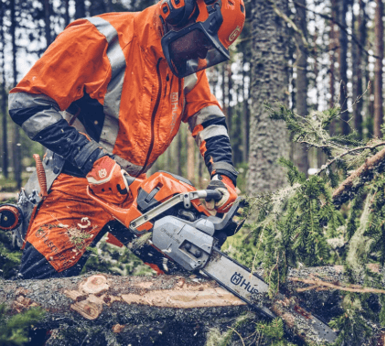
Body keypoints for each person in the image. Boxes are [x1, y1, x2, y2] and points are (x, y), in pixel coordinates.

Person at [7, 0, 245, 279]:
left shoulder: (184, 62)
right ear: (179, 11)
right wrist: (92, 159)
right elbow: (27, 102)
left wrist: (224, 175)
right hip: (75, 184)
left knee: (187, 264)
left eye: (208, 49)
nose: (200, 53)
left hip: (130, 190)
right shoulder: (100, 37)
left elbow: (207, 118)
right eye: (200, 41)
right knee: (42, 294)